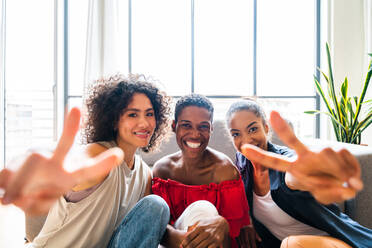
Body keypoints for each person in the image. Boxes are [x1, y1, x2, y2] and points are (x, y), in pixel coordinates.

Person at [0, 74, 172, 248]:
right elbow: (79, 163)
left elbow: (139, 232)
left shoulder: (144, 173)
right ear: (114, 121)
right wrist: (41, 178)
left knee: (156, 206)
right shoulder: (100, 154)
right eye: (132, 114)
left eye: (149, 114)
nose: (144, 123)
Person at [225, 99, 372, 248]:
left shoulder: (285, 163)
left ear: (266, 127)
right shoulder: (242, 162)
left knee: (292, 244)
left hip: (337, 241)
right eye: (236, 134)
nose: (246, 140)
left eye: (252, 129)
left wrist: (312, 172)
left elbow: (293, 177)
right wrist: (246, 221)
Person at [152, 94, 251, 248]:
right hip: (173, 244)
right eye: (186, 125)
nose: (195, 134)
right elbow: (155, 228)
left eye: (203, 126)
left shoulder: (225, 171)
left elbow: (235, 237)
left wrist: (222, 225)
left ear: (211, 128)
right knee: (202, 209)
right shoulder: (162, 170)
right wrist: (187, 240)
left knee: (205, 210)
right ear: (174, 126)